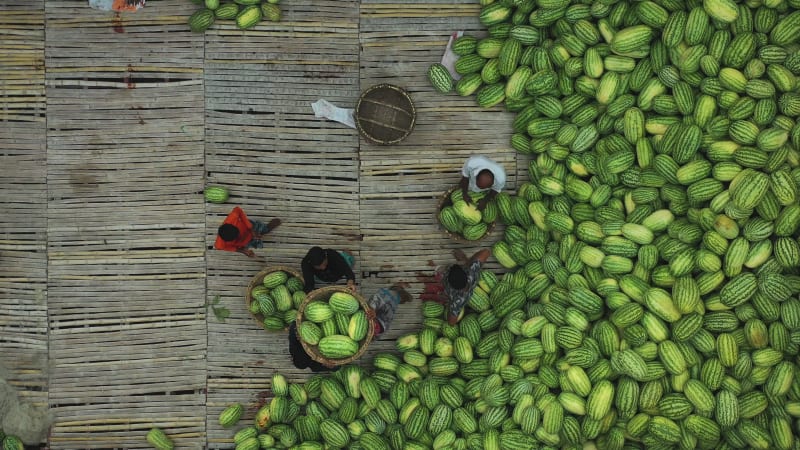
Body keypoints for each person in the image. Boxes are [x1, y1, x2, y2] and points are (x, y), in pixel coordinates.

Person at [420, 248, 491, 325]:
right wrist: (465, 259)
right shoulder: (472, 271)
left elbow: (451, 322)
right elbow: (486, 252)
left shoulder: (457, 301)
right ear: (464, 272)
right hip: (467, 281)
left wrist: (450, 306)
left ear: (449, 284)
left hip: (451, 295)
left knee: (439, 272)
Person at [214, 207, 280, 258]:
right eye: (237, 238)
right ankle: (261, 234)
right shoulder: (219, 244)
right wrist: (244, 251)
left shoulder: (231, 219)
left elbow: (238, 209)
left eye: (238, 233)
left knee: (259, 228)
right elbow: (226, 248)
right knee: (254, 242)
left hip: (249, 228)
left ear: (233, 225)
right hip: (244, 243)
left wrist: (251, 230)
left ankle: (266, 228)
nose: (239, 236)